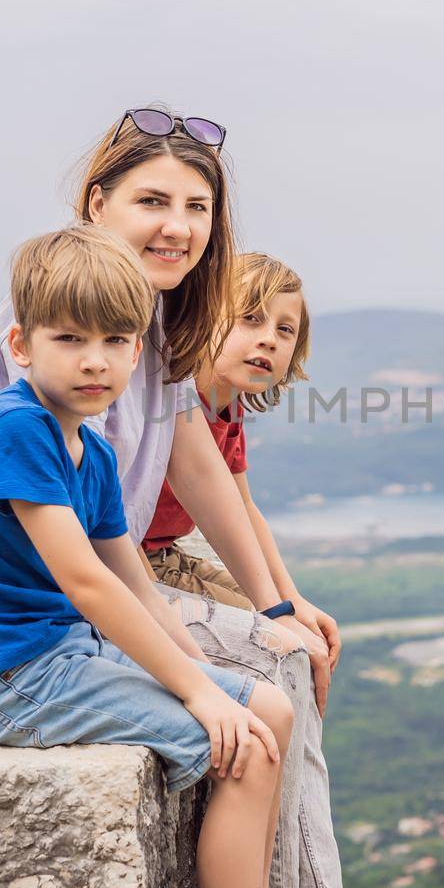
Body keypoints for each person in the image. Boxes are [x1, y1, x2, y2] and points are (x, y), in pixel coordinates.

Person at [0, 107, 367, 888]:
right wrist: (211, 668)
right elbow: (87, 573)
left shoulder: (149, 332)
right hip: (3, 627)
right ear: (98, 202)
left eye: (197, 207)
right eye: (154, 201)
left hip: (74, 608)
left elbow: (201, 478)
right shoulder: (58, 334)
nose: (177, 227)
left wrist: (278, 605)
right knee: (269, 681)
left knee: (277, 663)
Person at [0, 226, 292, 888]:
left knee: (269, 709)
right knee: (243, 744)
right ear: (20, 346)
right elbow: (88, 584)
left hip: (54, 654)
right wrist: (199, 696)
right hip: (1, 677)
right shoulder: (18, 427)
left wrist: (206, 675)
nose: (96, 361)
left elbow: (140, 587)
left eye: (117, 340)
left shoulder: (91, 449)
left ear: (137, 351)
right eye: (70, 339)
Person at [145, 252, 318, 619]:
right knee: (263, 628)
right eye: (250, 319)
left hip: (165, 555)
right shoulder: (170, 399)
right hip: (134, 562)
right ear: (203, 319)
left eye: (285, 329)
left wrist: (292, 599)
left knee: (289, 615)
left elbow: (243, 507)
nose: (268, 339)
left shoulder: (228, 406)